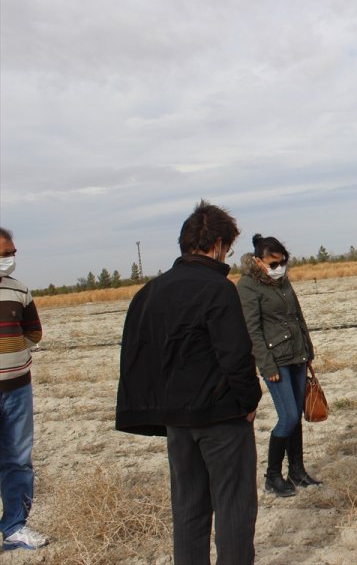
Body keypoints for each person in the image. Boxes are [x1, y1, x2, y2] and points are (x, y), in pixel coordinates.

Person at [116, 200, 262, 564]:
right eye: (227, 247)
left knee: (188, 510)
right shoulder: (218, 289)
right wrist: (249, 402)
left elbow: (137, 356)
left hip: (176, 422)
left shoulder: (149, 292)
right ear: (216, 244)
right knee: (233, 510)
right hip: (222, 419)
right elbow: (236, 355)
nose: (227, 255)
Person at [237, 234, 320, 498]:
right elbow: (252, 330)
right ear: (258, 261)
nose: (279, 267)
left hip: (296, 356)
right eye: (273, 263)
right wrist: (267, 365)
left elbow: (297, 316)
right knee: (288, 417)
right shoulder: (247, 286)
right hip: (276, 361)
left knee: (297, 417)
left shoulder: (282, 281)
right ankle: (273, 476)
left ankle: (297, 471)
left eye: (282, 262)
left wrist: (307, 349)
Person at [0, 227, 48, 551]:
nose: (11, 259)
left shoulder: (20, 291)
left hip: (18, 390)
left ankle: (15, 527)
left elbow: (34, 333)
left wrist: (14, 352)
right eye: (5, 254)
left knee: (18, 460)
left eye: (13, 253)